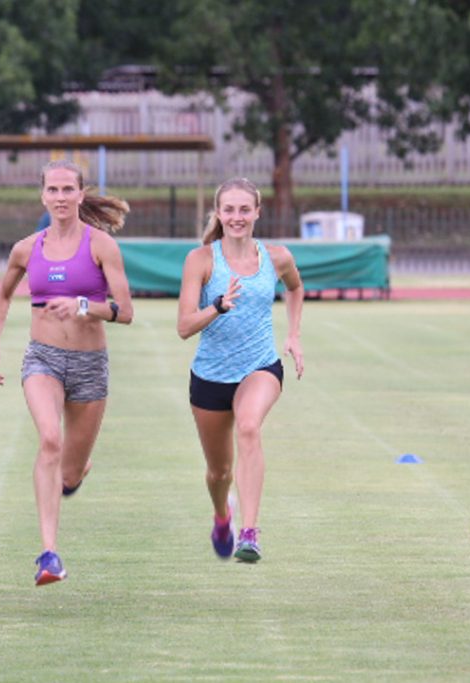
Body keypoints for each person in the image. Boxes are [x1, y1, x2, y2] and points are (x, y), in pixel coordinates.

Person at [0, 160, 134, 586]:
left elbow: (125, 312)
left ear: (81, 194)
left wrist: (84, 305)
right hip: (42, 359)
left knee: (68, 471)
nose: (61, 197)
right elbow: (1, 299)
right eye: (54, 189)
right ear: (43, 195)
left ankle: (76, 472)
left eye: (69, 189)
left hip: (90, 366)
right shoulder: (26, 249)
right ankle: (49, 555)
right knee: (50, 439)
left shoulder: (102, 246)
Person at [176, 177, 304, 564]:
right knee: (219, 473)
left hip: (260, 366)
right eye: (229, 209)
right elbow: (184, 327)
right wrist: (216, 306)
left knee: (249, 426)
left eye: (244, 209)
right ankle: (222, 516)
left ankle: (250, 532)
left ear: (257, 213)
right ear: (218, 213)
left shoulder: (277, 257)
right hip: (210, 377)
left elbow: (295, 289)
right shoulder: (200, 260)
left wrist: (294, 335)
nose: (237, 217)